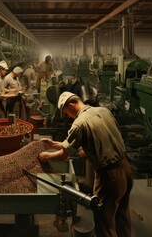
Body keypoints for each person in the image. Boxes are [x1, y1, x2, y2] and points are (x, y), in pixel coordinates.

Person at [38, 91, 133, 237]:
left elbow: (64, 154)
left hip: (110, 176)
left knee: (104, 222)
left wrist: (46, 156)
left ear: (71, 105)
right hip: (125, 168)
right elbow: (70, 145)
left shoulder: (80, 123)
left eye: (67, 112)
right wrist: (53, 144)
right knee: (122, 214)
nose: (68, 116)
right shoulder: (103, 111)